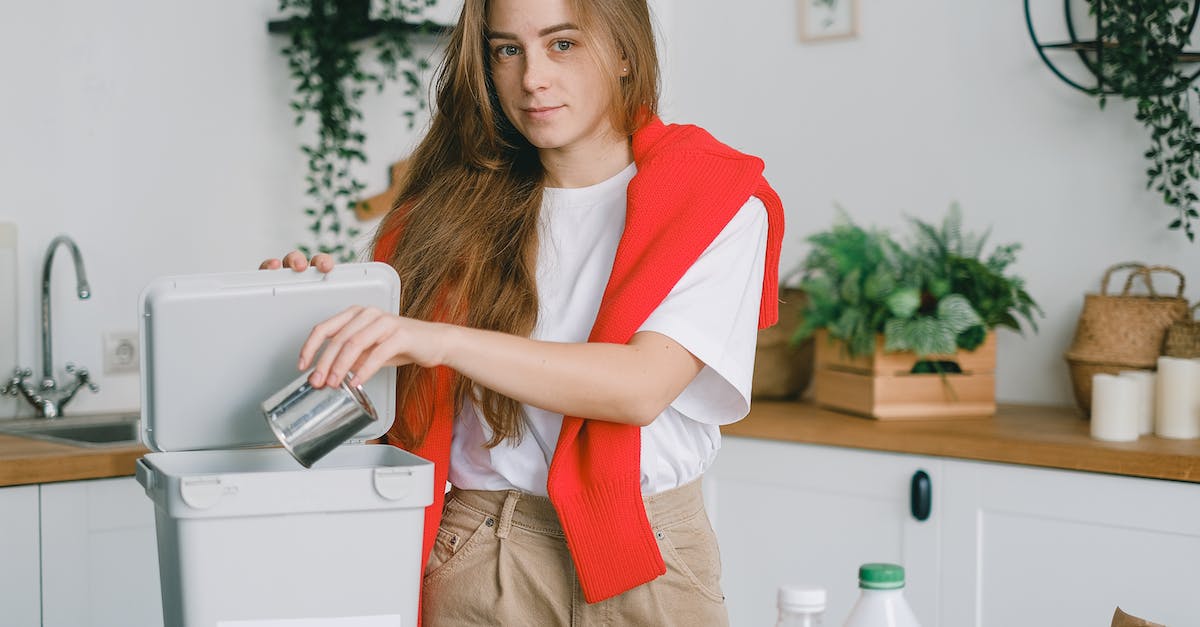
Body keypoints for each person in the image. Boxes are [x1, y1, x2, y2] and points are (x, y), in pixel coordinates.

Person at [262, 0, 784, 624]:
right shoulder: (443, 213)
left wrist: (440, 340)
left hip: (650, 555)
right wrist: (304, 319)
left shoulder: (713, 198)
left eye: (562, 44)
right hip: (481, 547)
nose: (532, 77)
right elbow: (373, 415)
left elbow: (639, 388)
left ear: (624, 53)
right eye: (508, 49)